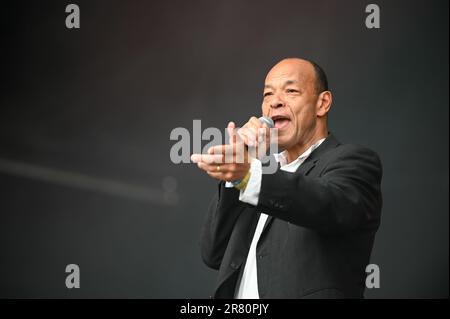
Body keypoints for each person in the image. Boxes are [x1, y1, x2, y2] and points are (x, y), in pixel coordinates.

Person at [191, 58, 383, 299]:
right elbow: (214, 253)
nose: (275, 102)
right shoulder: (261, 173)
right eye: (267, 94)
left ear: (322, 103)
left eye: (291, 91)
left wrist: (249, 174)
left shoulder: (352, 161)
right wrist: (238, 175)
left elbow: (326, 204)